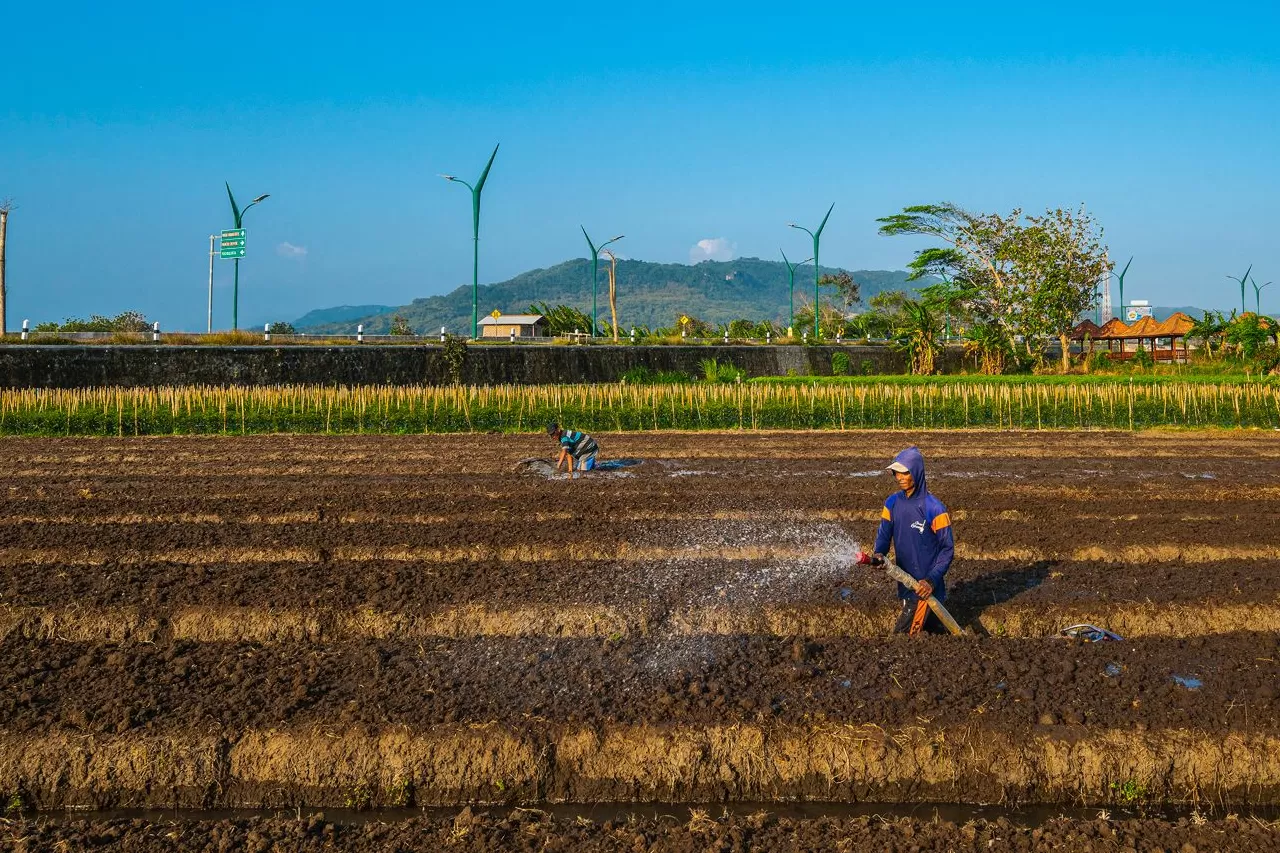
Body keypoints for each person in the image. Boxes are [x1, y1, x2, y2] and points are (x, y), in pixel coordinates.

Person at [865, 445, 954, 635]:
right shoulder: (892, 503)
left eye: (904, 473)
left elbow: (947, 549)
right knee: (930, 634)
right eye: (896, 473)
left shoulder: (934, 509)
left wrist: (931, 580)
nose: (899, 478)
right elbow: (884, 535)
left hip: (925, 589)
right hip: (906, 583)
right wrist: (879, 554)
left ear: (916, 472)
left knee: (903, 638)